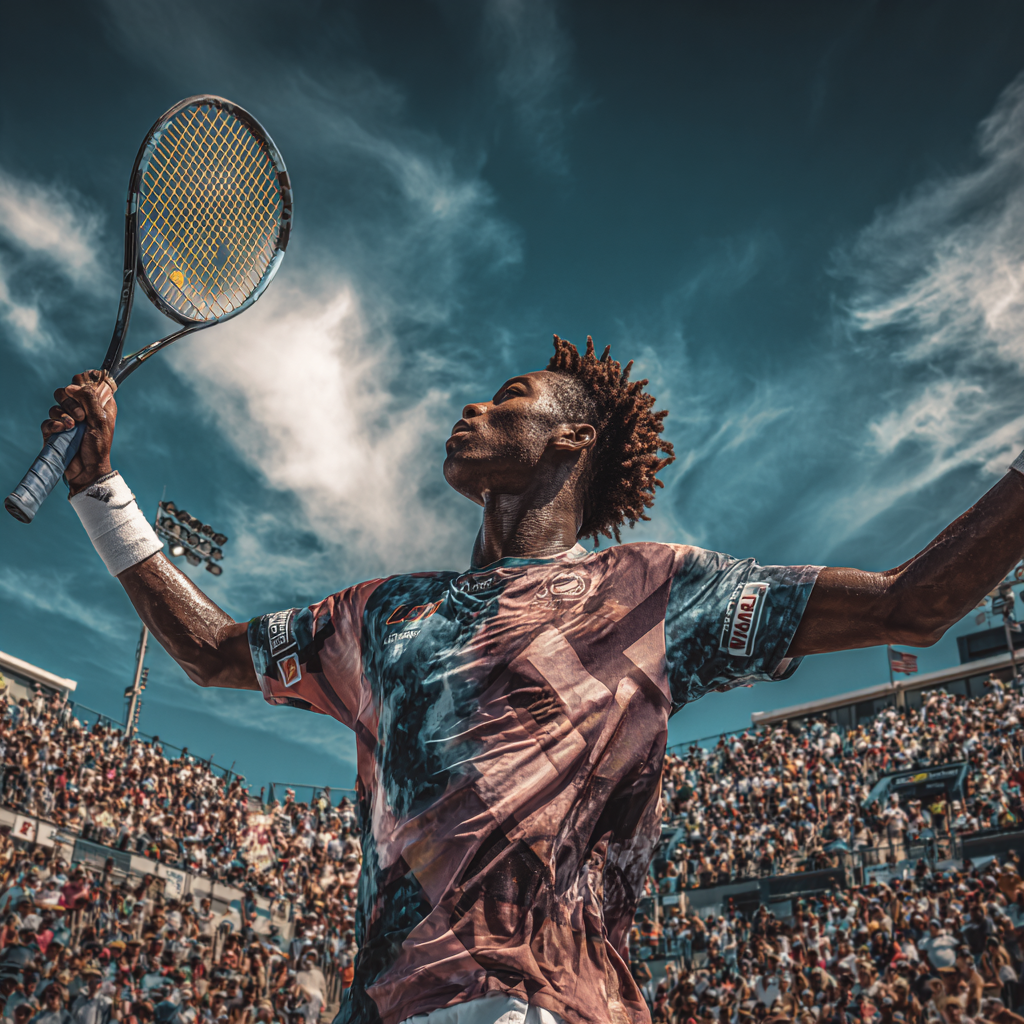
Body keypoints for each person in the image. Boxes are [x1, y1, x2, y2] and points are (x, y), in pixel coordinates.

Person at [45, 333, 1024, 1024]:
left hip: (559, 1002)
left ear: (569, 439)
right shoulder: (381, 611)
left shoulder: (656, 588)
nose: (475, 404)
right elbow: (212, 650)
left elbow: (910, 604)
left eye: (509, 396)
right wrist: (98, 488)